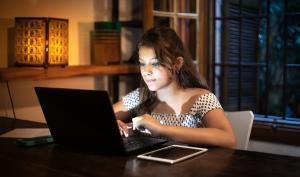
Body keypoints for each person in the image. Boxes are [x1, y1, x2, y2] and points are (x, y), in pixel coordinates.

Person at [113, 26, 236, 149]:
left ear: (177, 64)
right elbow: (97, 118)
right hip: (150, 166)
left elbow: (228, 139)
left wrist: (161, 129)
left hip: (191, 167)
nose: (146, 71)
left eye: (155, 63)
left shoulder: (201, 98)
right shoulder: (140, 96)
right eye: (142, 64)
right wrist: (111, 125)